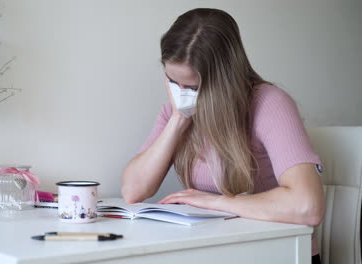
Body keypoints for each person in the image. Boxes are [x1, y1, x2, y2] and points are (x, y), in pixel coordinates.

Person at [121, 8, 325, 264]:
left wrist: (216, 202)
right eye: (173, 82)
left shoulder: (269, 103)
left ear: (223, 81)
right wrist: (178, 120)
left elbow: (307, 206)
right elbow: (133, 190)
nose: (181, 94)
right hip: (218, 250)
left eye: (192, 87)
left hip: (278, 253)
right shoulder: (176, 111)